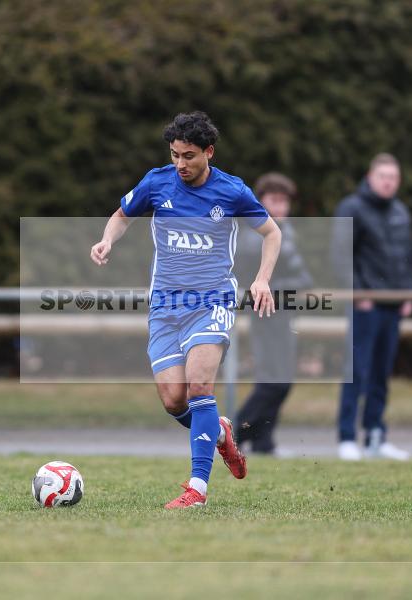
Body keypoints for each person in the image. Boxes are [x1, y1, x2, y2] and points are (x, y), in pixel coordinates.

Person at [90, 112, 282, 508]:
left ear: (208, 152)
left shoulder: (232, 191)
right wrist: (108, 239)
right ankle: (221, 434)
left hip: (212, 300)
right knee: (174, 399)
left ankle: (198, 489)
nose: (180, 164)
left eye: (189, 155)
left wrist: (262, 279)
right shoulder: (157, 182)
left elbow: (271, 233)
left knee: (198, 386)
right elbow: (122, 216)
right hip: (164, 304)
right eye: (175, 154)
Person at [332, 153, 412, 461]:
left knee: (381, 372)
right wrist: (357, 293)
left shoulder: (401, 212)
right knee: (356, 370)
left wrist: (408, 294)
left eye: (393, 177)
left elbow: (405, 257)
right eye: (383, 176)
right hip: (364, 305)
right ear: (370, 177)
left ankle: (376, 435)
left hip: (392, 306)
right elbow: (341, 256)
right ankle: (347, 436)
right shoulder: (351, 208)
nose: (388, 182)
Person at [233, 173, 314, 455]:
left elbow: (301, 277)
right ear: (262, 201)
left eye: (284, 202)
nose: (280, 207)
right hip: (266, 314)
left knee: (279, 381)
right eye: (274, 201)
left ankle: (263, 442)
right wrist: (290, 285)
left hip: (283, 312)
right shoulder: (253, 237)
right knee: (273, 381)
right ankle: (233, 435)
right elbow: (252, 278)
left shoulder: (286, 231)